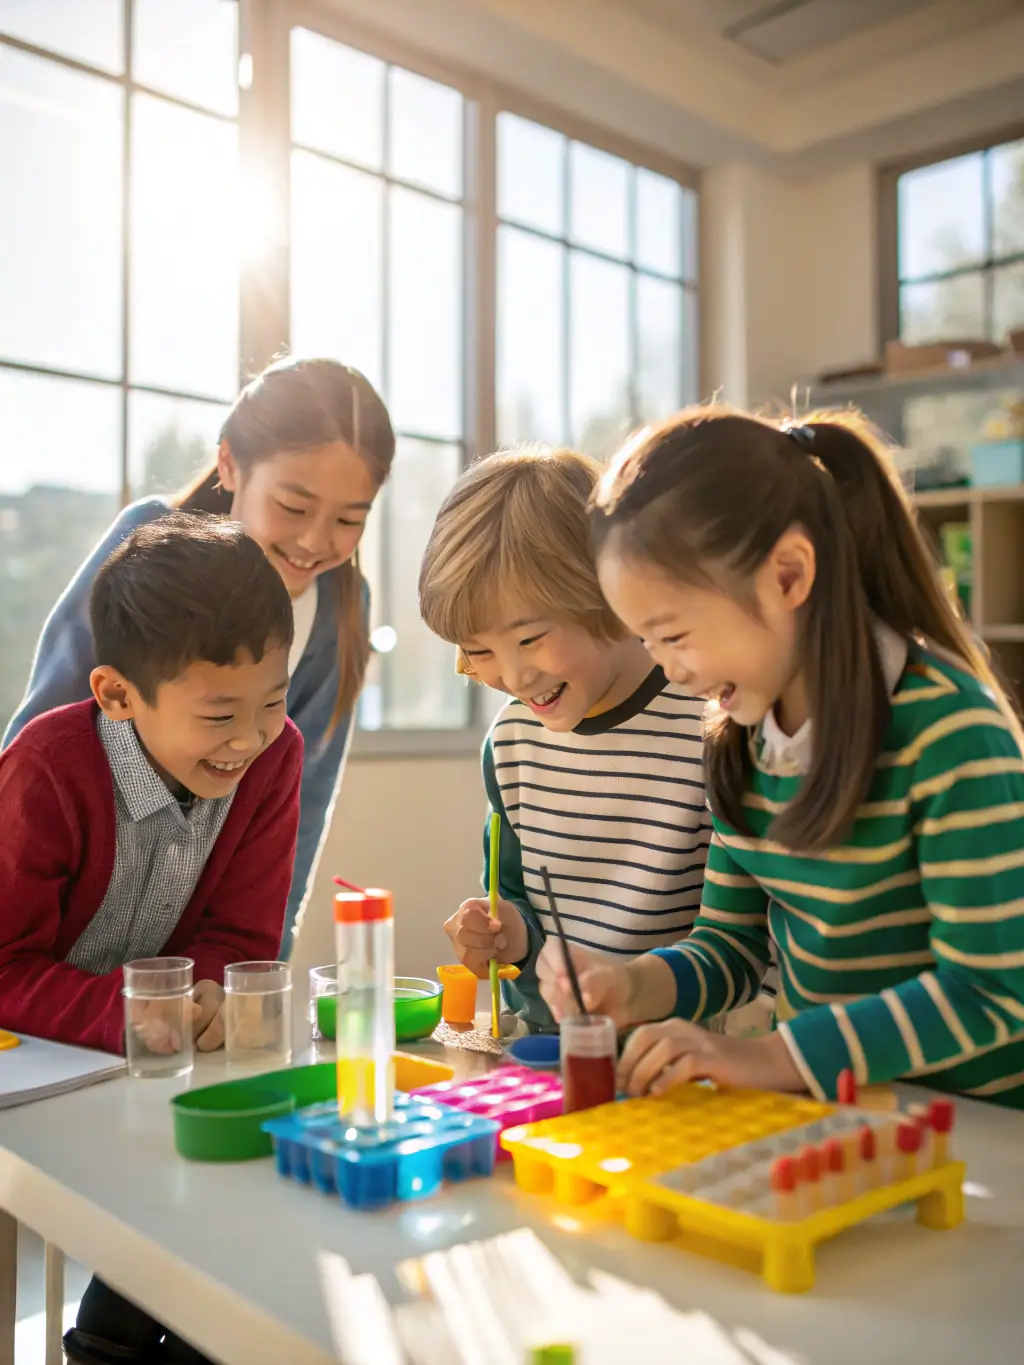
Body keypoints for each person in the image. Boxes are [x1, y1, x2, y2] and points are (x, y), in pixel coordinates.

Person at [537, 405, 1024, 1110]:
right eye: (648, 644)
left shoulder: (950, 735)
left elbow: (992, 989)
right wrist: (632, 984)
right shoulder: (739, 741)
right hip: (824, 1116)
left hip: (974, 1135)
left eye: (674, 634)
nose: (669, 670)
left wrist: (774, 1055)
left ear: (790, 574)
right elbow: (730, 947)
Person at [0, 513, 302, 1365]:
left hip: (134, 1061)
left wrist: (199, 999)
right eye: (218, 715)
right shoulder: (46, 769)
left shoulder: (273, 761)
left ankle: (118, 1339)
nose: (248, 738)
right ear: (117, 694)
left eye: (272, 702)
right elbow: (3, 962)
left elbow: (240, 934)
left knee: (221, 1179)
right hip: (31, 1056)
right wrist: (139, 1008)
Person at [2, 356, 395, 954]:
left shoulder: (341, 605)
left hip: (193, 933)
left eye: (349, 519)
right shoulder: (149, 547)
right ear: (231, 463)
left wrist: (257, 968)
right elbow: (40, 731)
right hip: (62, 902)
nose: (316, 541)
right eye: (293, 506)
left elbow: (301, 804)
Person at [419, 446, 710, 1031]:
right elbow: (522, 906)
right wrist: (508, 932)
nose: (513, 676)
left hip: (689, 1057)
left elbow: (743, 936)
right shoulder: (511, 743)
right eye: (479, 651)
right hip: (560, 1048)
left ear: (604, 589)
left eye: (529, 639)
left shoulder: (707, 721)